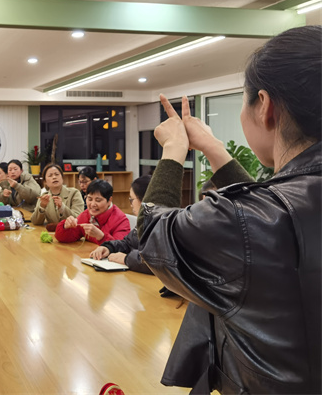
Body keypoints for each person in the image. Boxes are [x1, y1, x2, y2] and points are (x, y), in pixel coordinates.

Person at [138, 26, 321, 394]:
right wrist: (214, 150)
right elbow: (270, 216)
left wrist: (174, 150)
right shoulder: (284, 205)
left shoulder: (254, 218)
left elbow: (155, 236)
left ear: (265, 106)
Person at [89, 175, 152, 273]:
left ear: (144, 200)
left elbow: (156, 260)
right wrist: (109, 247)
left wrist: (126, 258)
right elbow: (128, 243)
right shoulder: (145, 220)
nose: (131, 204)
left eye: (132, 199)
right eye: (89, 199)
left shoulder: (162, 224)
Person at [55, 179, 130, 244]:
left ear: (109, 200)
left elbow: (121, 247)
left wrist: (101, 237)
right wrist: (65, 227)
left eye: (98, 200)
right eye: (90, 199)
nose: (93, 204)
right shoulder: (86, 215)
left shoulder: (121, 220)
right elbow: (67, 237)